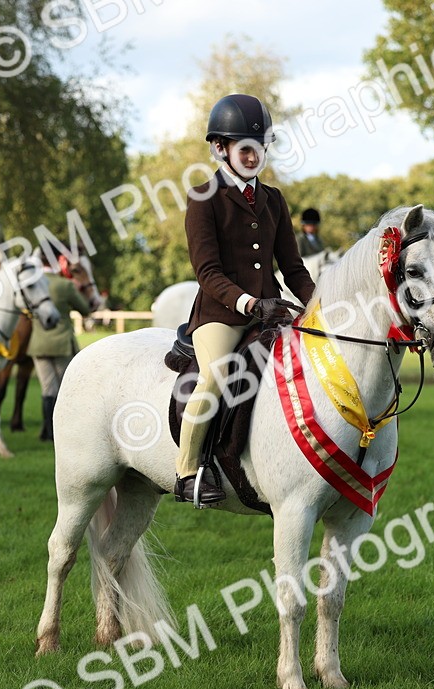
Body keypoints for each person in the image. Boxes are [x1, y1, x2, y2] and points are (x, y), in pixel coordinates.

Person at [176, 93, 316, 506]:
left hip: (271, 312)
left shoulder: (274, 199)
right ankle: (187, 471)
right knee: (215, 376)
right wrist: (250, 305)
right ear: (220, 148)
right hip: (221, 313)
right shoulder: (202, 197)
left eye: (261, 147)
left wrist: (317, 305)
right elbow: (208, 272)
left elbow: (292, 268)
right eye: (246, 148)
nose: (256, 156)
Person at [28, 250, 91, 441]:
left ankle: (46, 432)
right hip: (62, 343)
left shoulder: (32, 284)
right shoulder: (64, 285)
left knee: (48, 389)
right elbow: (85, 309)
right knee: (64, 390)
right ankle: (60, 432)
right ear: (57, 264)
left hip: (39, 343)